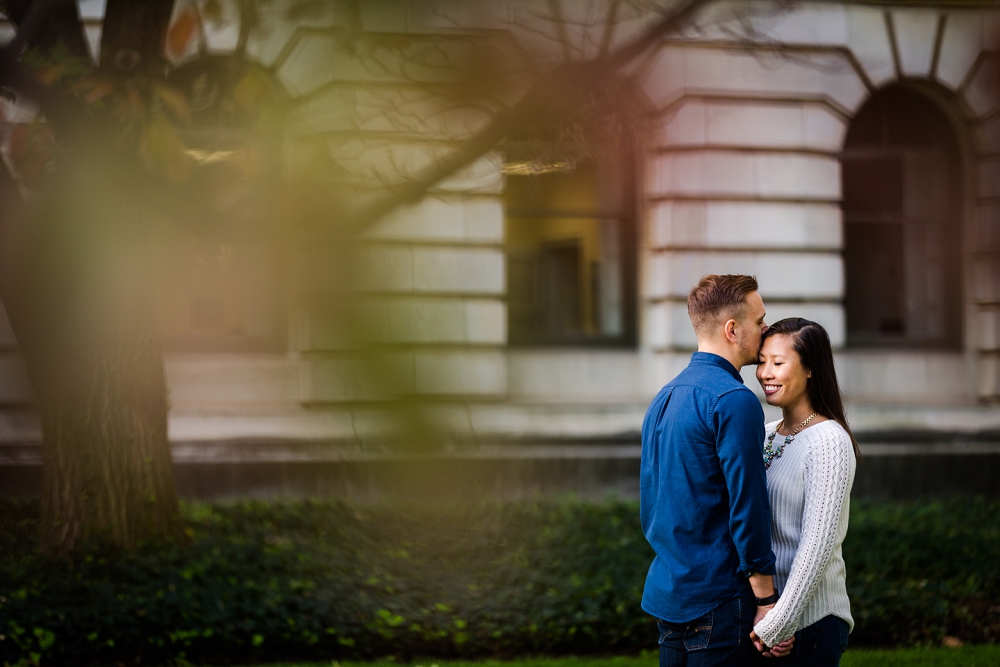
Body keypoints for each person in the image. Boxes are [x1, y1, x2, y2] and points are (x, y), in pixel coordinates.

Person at [640, 274, 792, 666]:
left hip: (670, 593)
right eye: (759, 322)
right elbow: (748, 507)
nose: (764, 331)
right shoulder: (734, 400)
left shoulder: (664, 397)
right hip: (721, 601)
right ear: (732, 329)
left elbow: (653, 501)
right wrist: (767, 600)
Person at [750, 318, 861, 666]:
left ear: (811, 368)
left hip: (812, 626)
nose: (765, 372)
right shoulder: (766, 433)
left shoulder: (829, 441)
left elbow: (816, 548)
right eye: (762, 361)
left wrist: (780, 623)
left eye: (778, 363)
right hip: (769, 618)